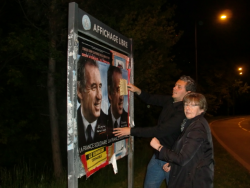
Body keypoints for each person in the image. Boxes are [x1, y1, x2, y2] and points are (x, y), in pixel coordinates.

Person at [113, 75, 196, 188]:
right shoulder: (170, 101)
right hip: (158, 156)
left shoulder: (183, 112)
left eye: (179, 87)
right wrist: (137, 90)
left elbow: (160, 130)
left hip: (172, 161)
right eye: (175, 85)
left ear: (188, 93)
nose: (174, 88)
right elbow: (151, 98)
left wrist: (131, 131)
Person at [150, 92, 214, 188]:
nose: (188, 108)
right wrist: (172, 163)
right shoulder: (192, 123)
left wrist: (159, 147)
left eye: (193, 105)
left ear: (202, 109)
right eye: (186, 104)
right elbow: (189, 153)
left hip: (194, 181)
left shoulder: (197, 128)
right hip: (190, 176)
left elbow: (182, 159)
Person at [77, 56, 107, 155]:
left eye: (100, 87)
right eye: (93, 87)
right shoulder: (71, 126)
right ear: (80, 91)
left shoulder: (108, 122)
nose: (99, 96)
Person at [107, 66, 128, 143]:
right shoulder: (101, 120)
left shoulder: (127, 119)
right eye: (118, 90)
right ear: (110, 93)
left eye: (123, 90)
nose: (122, 98)